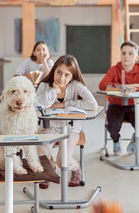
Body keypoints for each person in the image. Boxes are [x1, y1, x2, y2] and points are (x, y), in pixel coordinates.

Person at [36, 55, 98, 189]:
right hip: (49, 127)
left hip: (70, 128)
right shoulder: (44, 85)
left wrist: (66, 104)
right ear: (54, 71)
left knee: (63, 161)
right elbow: (37, 105)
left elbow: (92, 104)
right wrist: (54, 91)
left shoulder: (76, 86)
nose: (61, 78)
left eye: (67, 75)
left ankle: (76, 167)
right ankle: (49, 169)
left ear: (72, 76)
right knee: (41, 153)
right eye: (59, 72)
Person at [98, 41, 139, 156]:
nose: (126, 56)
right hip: (116, 105)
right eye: (124, 53)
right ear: (120, 55)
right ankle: (116, 141)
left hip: (132, 106)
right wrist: (124, 87)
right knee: (113, 127)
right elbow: (102, 85)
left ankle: (135, 141)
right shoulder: (114, 70)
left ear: (136, 57)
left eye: (130, 53)